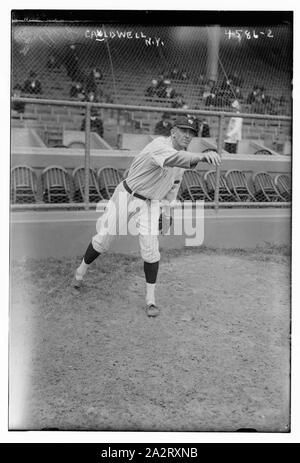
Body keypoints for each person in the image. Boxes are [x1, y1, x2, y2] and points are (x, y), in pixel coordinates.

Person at [73, 116, 221, 317]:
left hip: (151, 203)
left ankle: (150, 300)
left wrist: (167, 213)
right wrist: (202, 157)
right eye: (184, 130)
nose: (188, 135)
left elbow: (173, 188)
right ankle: (80, 272)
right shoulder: (159, 145)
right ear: (173, 132)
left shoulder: (182, 158)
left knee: (151, 249)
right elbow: (174, 159)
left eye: (192, 132)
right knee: (104, 239)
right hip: (127, 195)